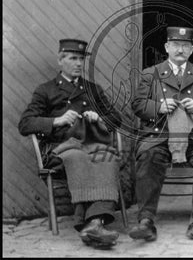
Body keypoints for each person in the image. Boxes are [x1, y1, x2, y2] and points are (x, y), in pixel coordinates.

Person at [18, 39, 123, 249]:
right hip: (61, 149)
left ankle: (94, 223)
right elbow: (25, 123)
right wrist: (58, 120)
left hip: (92, 144)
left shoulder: (93, 89)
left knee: (108, 157)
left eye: (81, 59)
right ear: (60, 60)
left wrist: (99, 118)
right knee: (78, 157)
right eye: (73, 58)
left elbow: (116, 118)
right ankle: (89, 223)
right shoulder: (45, 90)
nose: (78, 63)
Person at [129, 26, 193, 243]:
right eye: (176, 45)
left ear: (192, 49)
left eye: (185, 46)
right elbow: (137, 104)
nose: (180, 50)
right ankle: (146, 221)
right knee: (149, 157)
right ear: (167, 47)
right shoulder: (150, 73)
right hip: (159, 135)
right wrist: (159, 107)